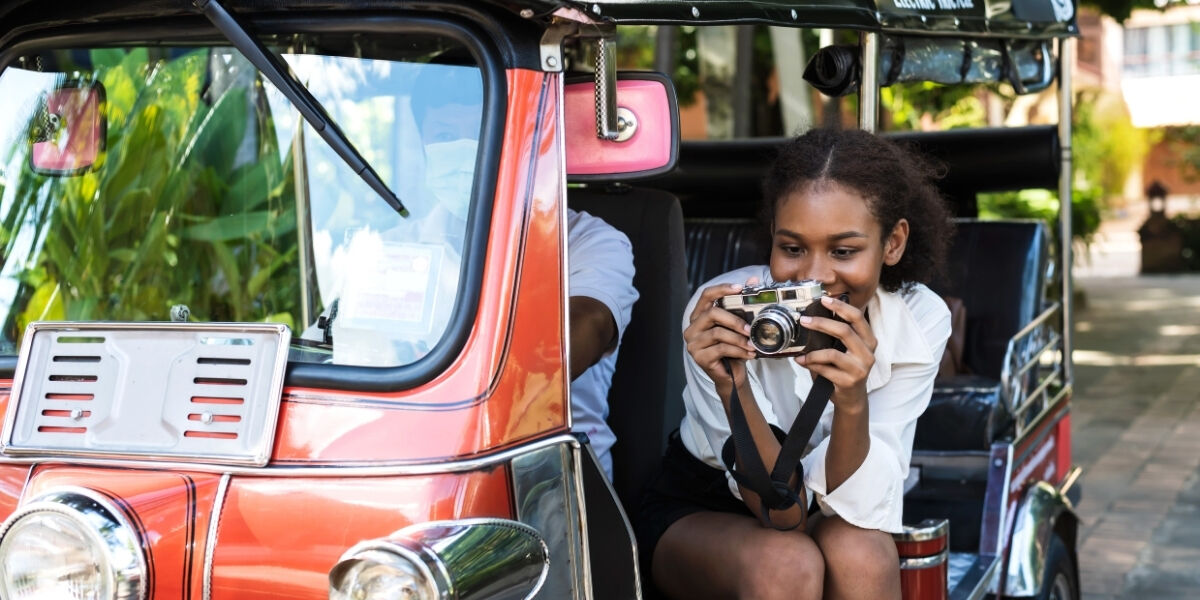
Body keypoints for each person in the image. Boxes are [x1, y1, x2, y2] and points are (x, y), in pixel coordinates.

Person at [637, 128, 953, 600]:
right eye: (792, 248)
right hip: (706, 507)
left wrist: (850, 402)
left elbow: (862, 508)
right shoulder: (722, 315)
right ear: (773, 239)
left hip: (836, 509)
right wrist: (732, 387)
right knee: (787, 562)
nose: (814, 277)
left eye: (844, 251)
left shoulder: (919, 319)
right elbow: (781, 514)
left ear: (893, 243)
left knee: (863, 554)